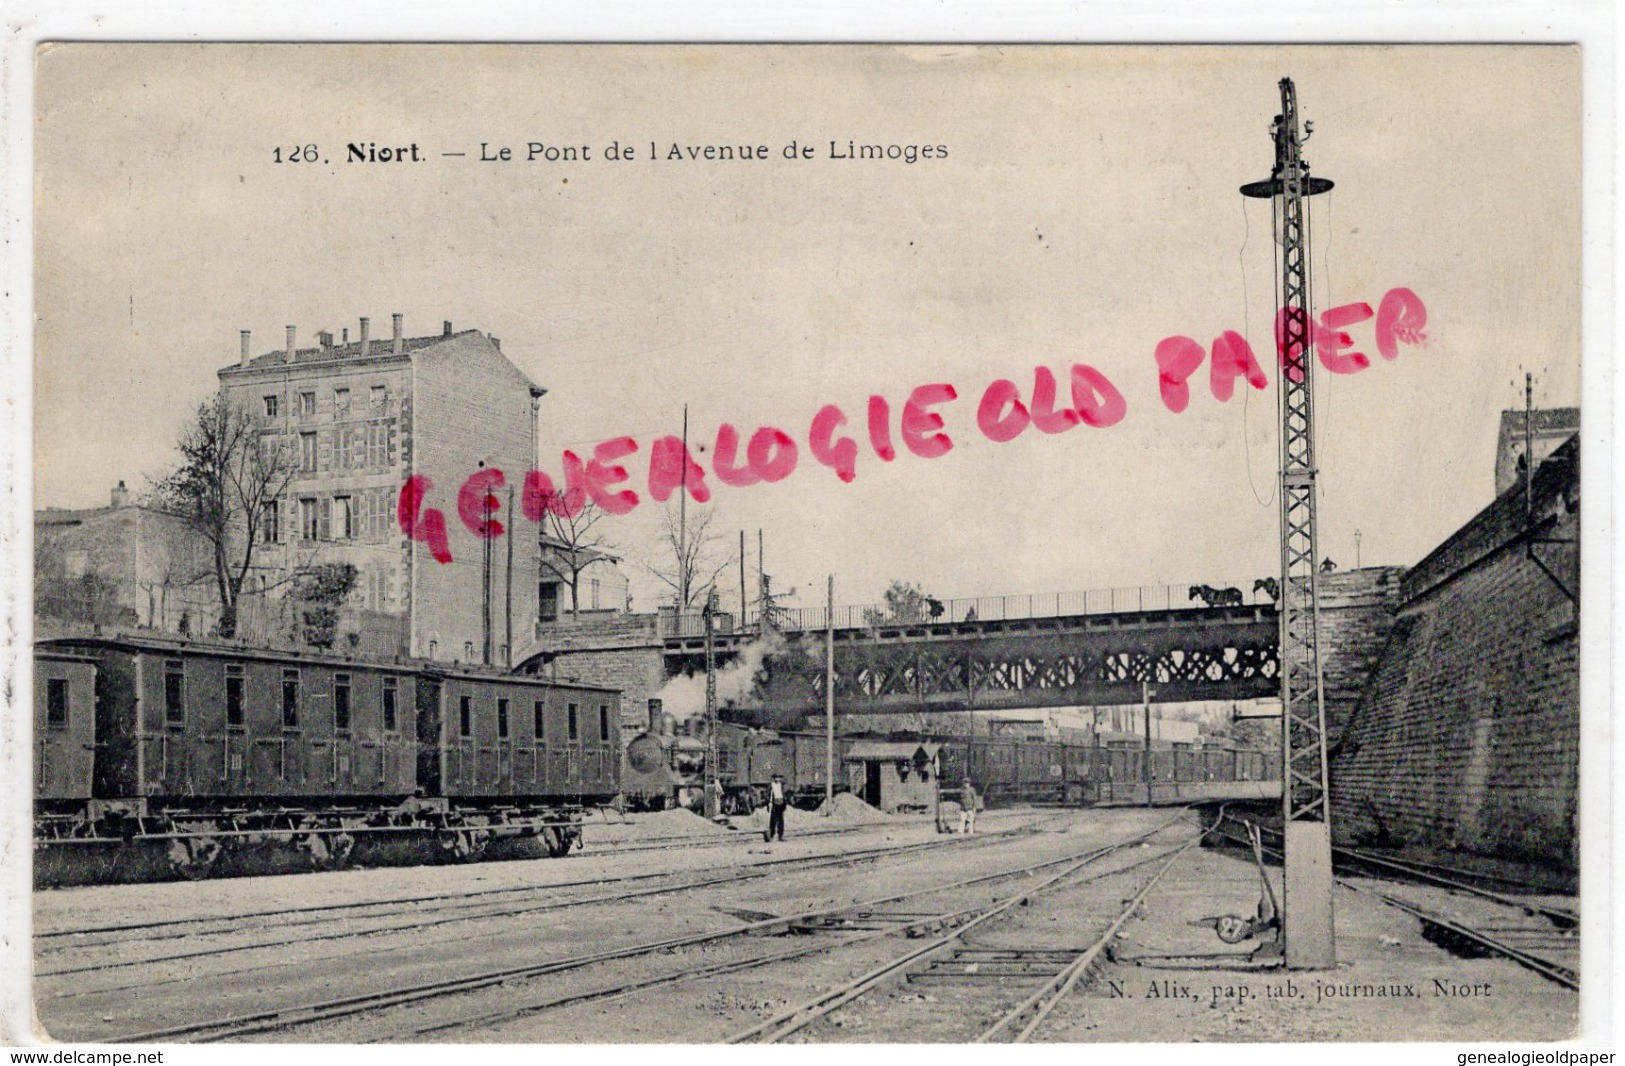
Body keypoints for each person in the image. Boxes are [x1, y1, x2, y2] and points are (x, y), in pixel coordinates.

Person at [764, 773, 788, 842]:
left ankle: (781, 836)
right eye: (777, 778)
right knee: (773, 820)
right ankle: (771, 835)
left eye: (779, 777)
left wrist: (785, 803)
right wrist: (768, 803)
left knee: (781, 821)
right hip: (774, 803)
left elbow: (784, 794)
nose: (778, 779)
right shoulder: (771, 785)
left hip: (781, 803)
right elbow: (767, 794)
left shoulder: (781, 785)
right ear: (774, 778)